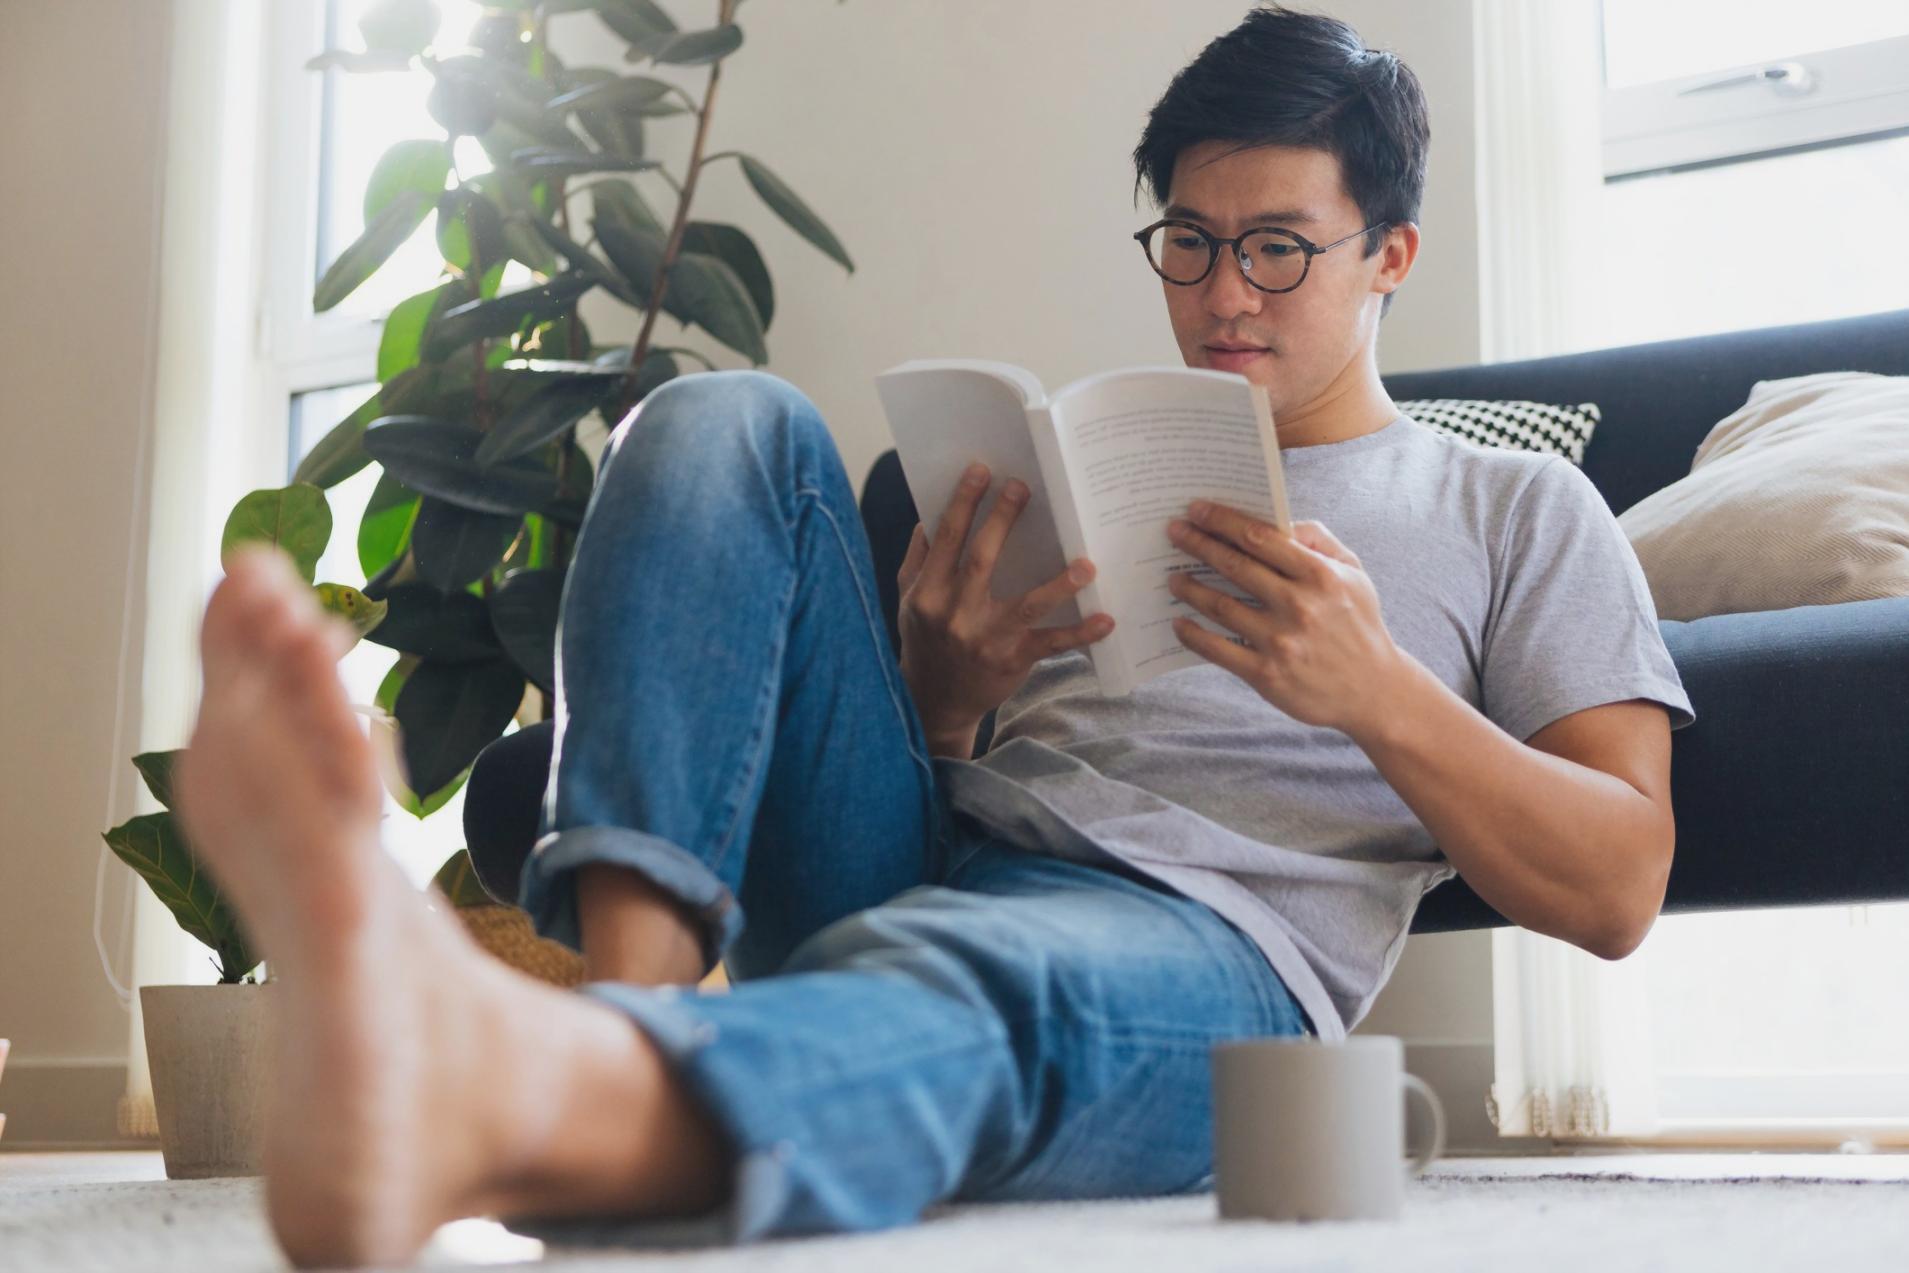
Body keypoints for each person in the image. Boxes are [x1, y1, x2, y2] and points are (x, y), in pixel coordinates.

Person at [173, 4, 1694, 1267]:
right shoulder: (1087, 471)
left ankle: (533, 1101)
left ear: (1390, 255)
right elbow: (929, 759)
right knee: (718, 419)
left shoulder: (1515, 507)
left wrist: (1378, 696)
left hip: (1212, 950)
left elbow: (1620, 880)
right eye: (1188, 241)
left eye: (1279, 248)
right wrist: (942, 693)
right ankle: (624, 1015)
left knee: (988, 968)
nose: (1223, 294)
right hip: (928, 848)